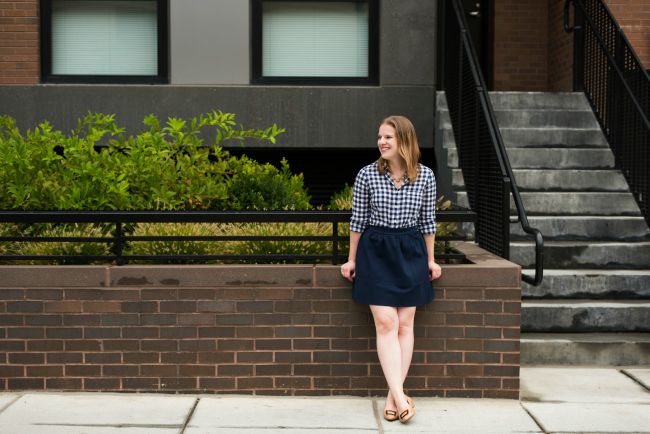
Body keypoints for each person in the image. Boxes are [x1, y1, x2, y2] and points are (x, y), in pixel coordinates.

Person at [340, 115, 442, 424]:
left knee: (405, 323)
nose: (382, 142)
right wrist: (352, 258)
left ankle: (391, 396)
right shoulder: (367, 175)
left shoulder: (425, 176)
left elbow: (427, 222)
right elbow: (357, 220)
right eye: (380, 136)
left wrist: (430, 259)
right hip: (376, 250)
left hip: (410, 249)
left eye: (389, 137)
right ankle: (400, 396)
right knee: (385, 322)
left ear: (405, 142)